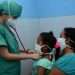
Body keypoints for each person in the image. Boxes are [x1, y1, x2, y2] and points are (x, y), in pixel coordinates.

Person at [0, 1, 41, 75]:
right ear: (4, 13)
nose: (14, 19)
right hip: (6, 70)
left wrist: (24, 51)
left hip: (14, 69)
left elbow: (10, 48)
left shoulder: (5, 26)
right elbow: (5, 55)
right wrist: (30, 56)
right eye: (14, 17)